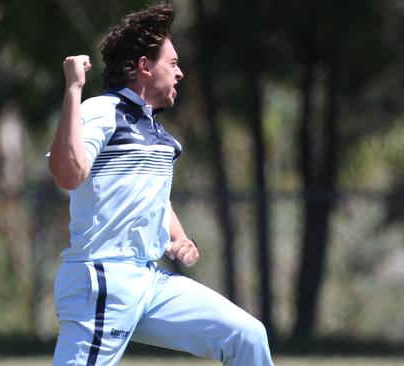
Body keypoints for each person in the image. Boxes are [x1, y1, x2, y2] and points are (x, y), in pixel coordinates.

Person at [47, 2, 274, 365]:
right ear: (144, 67)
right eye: (173, 63)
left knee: (246, 335)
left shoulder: (154, 130)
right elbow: (68, 173)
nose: (180, 73)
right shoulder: (103, 110)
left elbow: (153, 196)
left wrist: (180, 238)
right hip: (103, 277)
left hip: (150, 281)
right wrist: (73, 89)